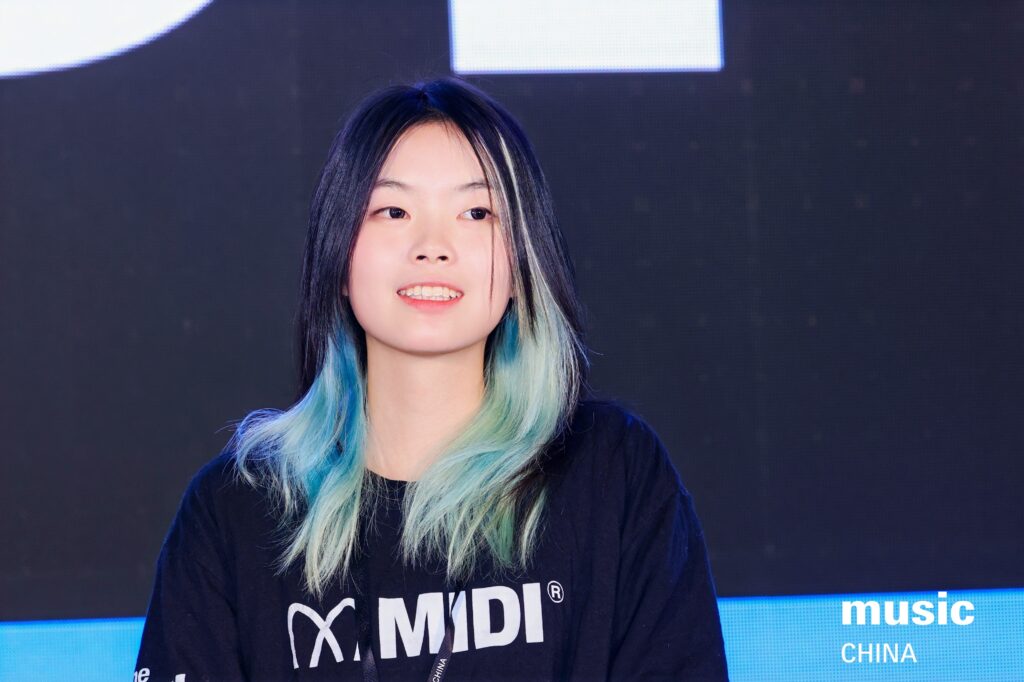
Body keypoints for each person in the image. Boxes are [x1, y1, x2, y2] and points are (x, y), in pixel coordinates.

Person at [135, 76, 729, 681]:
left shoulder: (612, 473)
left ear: (524, 259)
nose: (433, 247)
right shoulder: (237, 510)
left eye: (476, 212)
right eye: (393, 211)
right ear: (339, 257)